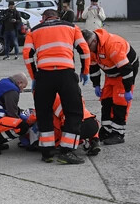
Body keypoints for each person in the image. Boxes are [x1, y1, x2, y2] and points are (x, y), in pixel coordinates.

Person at [23, 9, 90, 164]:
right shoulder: (71, 27)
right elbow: (84, 50)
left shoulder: (34, 31)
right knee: (74, 112)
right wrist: (84, 71)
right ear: (57, 17)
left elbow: (27, 55)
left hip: (44, 76)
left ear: (44, 18)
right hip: (66, 74)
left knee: (44, 113)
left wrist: (34, 76)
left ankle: (47, 152)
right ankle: (67, 151)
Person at [82, 28, 139, 145]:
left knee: (120, 102)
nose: (87, 50)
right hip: (111, 73)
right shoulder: (92, 49)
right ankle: (107, 129)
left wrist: (127, 89)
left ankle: (118, 133)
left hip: (125, 72)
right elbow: (94, 68)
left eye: (87, 47)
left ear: (93, 42)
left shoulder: (113, 45)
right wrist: (96, 85)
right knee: (106, 100)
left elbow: (126, 70)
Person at [22, 93, 101, 157]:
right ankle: (94, 140)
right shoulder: (71, 91)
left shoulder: (47, 96)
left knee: (54, 125)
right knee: (88, 118)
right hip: (92, 124)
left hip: (74, 128)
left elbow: (38, 115)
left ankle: (66, 152)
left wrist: (27, 122)